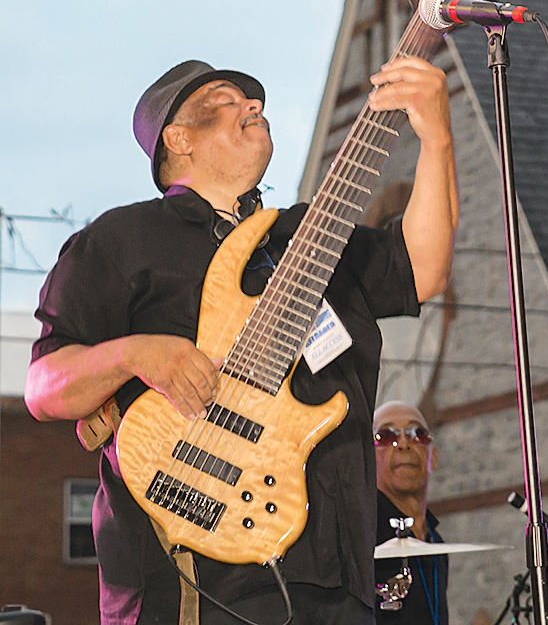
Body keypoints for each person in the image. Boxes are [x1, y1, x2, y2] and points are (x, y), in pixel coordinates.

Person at [24, 55, 458, 625]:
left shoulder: (309, 235)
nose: (254, 106)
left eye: (256, 102)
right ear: (177, 138)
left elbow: (423, 270)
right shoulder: (121, 241)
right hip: (190, 582)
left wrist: (438, 137)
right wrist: (137, 353)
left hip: (338, 579)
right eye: (227, 101)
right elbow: (44, 387)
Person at [373, 401, 449, 625]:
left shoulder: (437, 544)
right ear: (366, 460)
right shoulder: (360, 536)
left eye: (417, 433)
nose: (404, 443)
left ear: (433, 457)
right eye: (386, 435)